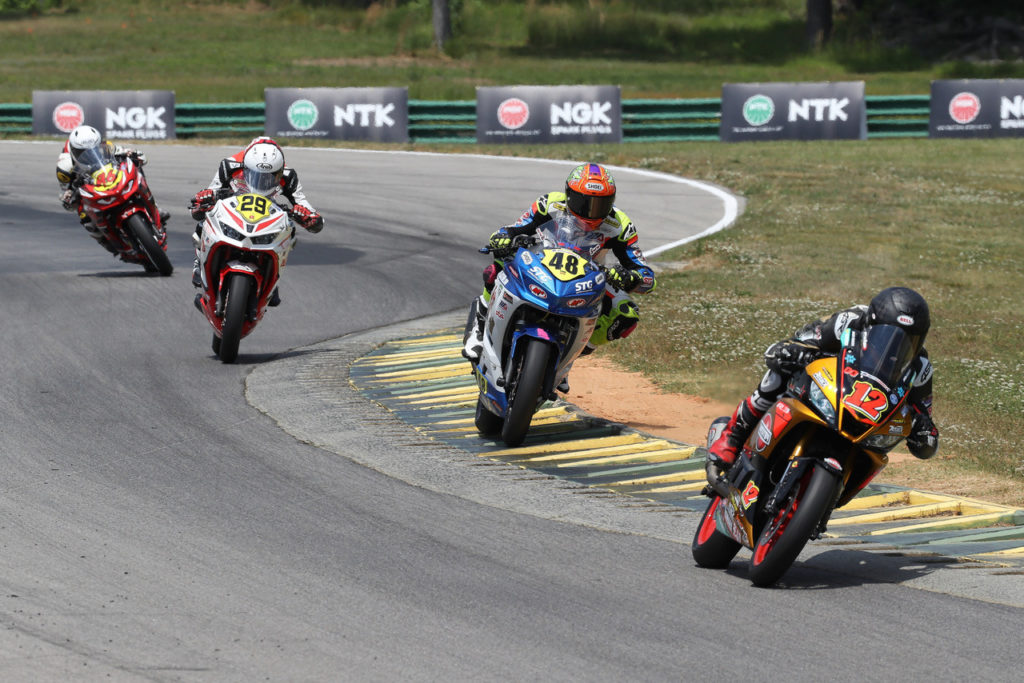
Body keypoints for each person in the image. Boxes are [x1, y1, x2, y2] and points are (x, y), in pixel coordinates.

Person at [706, 286, 939, 473]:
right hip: (825, 389)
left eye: (908, 341)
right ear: (871, 324)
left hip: (862, 425)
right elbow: (802, 340)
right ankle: (733, 436)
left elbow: (925, 421)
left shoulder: (920, 368)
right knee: (781, 370)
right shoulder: (849, 321)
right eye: (885, 335)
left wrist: (924, 431)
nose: (894, 346)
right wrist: (794, 350)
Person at [461, 162, 657, 371]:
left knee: (626, 314)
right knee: (501, 261)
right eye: (584, 202)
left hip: (589, 278)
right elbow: (514, 228)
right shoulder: (549, 204)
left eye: (600, 204)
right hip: (541, 262)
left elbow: (646, 275)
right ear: (569, 194)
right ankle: (480, 326)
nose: (591, 211)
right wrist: (502, 237)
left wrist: (631, 277)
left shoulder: (620, 225)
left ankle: (568, 359)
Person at [188, 137, 324, 305]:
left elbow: (305, 206)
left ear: (280, 171)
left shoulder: (289, 176)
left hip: (268, 215)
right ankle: (199, 260)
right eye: (256, 176)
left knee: (290, 229)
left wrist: (309, 217)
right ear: (245, 168)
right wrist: (204, 198)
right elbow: (211, 191)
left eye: (269, 178)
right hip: (233, 209)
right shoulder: (229, 165)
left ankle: (274, 278)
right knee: (206, 216)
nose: (262, 182)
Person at [56, 124, 169, 255]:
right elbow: (65, 195)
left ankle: (155, 208)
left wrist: (132, 155)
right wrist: (69, 195)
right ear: (74, 152)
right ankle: (105, 240)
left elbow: (133, 155)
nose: (89, 154)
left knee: (134, 168)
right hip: (88, 187)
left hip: (108, 177)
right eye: (82, 153)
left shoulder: (105, 146)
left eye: (95, 148)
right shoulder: (64, 167)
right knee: (83, 212)